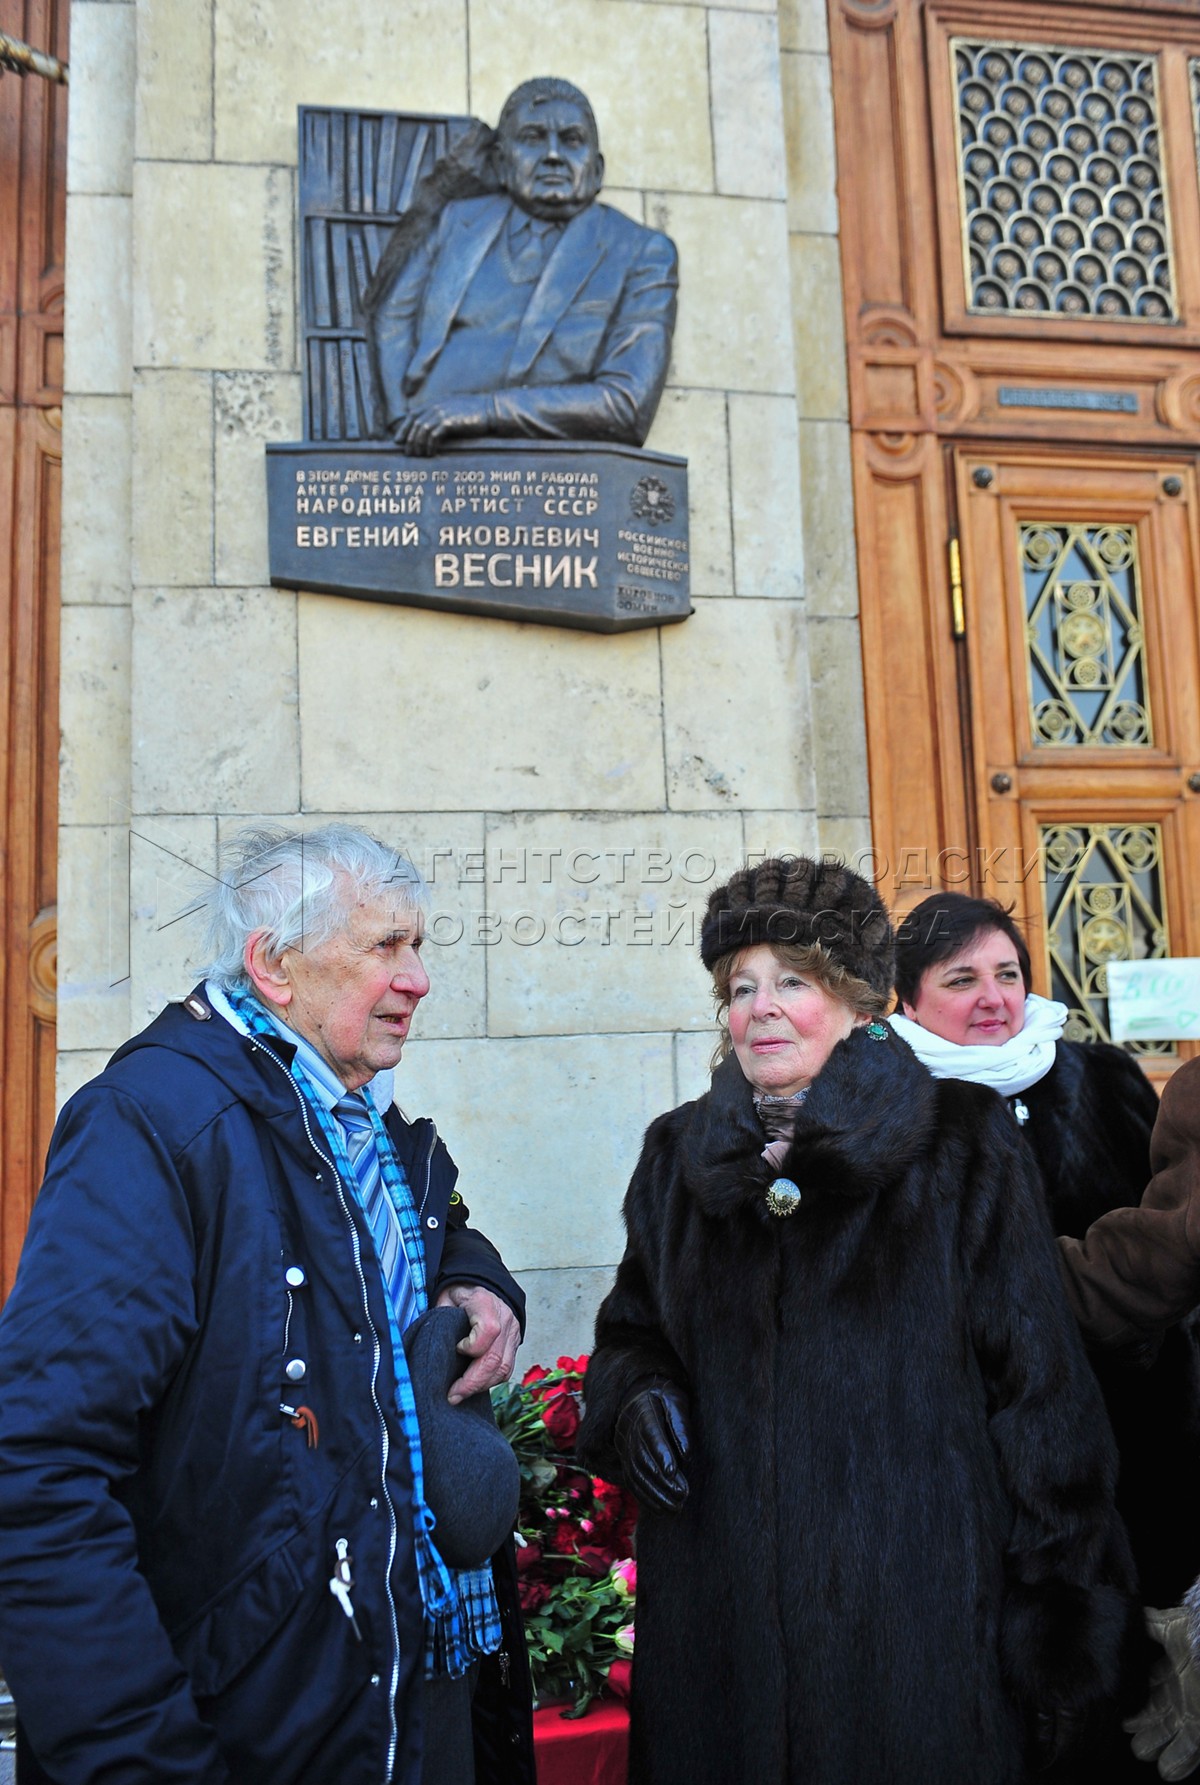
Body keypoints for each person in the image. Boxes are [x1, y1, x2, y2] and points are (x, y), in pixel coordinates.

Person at [578, 856, 1132, 1785]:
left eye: (792, 981)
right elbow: (632, 1332)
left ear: (857, 1002)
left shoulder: (959, 1141)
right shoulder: (680, 1157)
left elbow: (1043, 1394)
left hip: (917, 1639)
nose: (761, 1006)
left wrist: (1052, 1618)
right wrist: (634, 1396)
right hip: (728, 1643)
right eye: (741, 986)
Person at [0, 825, 533, 1785]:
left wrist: (476, 1275)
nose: (418, 978)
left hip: (407, 1678)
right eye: (386, 947)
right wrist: (140, 1758)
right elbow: (41, 1467)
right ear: (275, 967)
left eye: (419, 946)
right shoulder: (153, 1120)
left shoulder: (352, 1112)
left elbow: (392, 1228)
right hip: (254, 1718)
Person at [890, 892, 1200, 1614]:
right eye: (961, 979)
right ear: (908, 1000)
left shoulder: (1101, 1076)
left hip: (1136, 1424)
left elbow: (1166, 1227)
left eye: (1007, 973)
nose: (994, 998)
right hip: (971, 1441)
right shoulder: (886, 1112)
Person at [364, 77, 677, 452]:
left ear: (596, 170)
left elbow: (627, 403)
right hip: (425, 454)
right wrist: (403, 423)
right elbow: (393, 318)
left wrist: (485, 411)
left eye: (572, 140)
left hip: (541, 466)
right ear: (500, 162)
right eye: (532, 138)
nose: (553, 155)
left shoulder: (641, 252)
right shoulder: (457, 223)